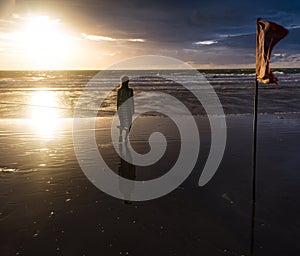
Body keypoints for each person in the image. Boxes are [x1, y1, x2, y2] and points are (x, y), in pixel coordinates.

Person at [117, 75, 134, 141]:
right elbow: (118, 101)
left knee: (129, 123)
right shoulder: (119, 90)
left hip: (129, 107)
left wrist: (133, 109)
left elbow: (132, 100)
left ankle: (126, 137)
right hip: (122, 108)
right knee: (122, 123)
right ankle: (121, 135)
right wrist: (118, 110)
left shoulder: (130, 90)